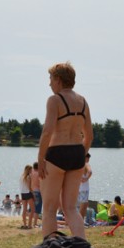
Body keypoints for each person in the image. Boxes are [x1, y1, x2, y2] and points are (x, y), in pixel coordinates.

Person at [37, 61, 93, 238]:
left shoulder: (55, 100)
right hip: (77, 152)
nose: (49, 83)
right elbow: (89, 135)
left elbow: (47, 131)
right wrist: (81, 156)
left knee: (49, 209)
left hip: (57, 153)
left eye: (51, 79)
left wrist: (40, 159)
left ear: (59, 79)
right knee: (70, 208)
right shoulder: (83, 101)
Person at [78, 152, 93, 221]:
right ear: (86, 158)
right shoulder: (85, 164)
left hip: (77, 188)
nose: (88, 160)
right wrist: (86, 178)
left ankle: (78, 221)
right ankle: (80, 221)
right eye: (88, 158)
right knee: (83, 206)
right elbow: (90, 171)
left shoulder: (77, 165)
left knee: (77, 207)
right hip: (84, 189)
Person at [19, 165, 34, 229]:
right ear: (29, 170)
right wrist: (33, 194)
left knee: (24, 209)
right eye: (31, 170)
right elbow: (29, 187)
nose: (32, 171)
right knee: (32, 209)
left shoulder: (21, 177)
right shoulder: (28, 177)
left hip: (23, 193)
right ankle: (29, 225)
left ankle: (25, 224)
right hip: (28, 193)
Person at [30, 162, 42, 230]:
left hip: (32, 191)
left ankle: (31, 222)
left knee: (32, 208)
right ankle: (34, 223)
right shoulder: (38, 174)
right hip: (38, 191)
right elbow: (40, 183)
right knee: (37, 208)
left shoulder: (31, 172)